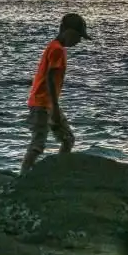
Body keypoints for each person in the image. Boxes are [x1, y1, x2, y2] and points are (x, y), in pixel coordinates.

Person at [20, 13, 91, 174]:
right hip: (42, 104)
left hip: (47, 103)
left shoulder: (55, 47)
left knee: (68, 139)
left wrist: (54, 106)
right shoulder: (57, 50)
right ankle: (22, 176)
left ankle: (59, 171)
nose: (79, 41)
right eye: (78, 36)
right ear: (68, 32)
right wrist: (56, 108)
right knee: (38, 145)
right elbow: (50, 79)